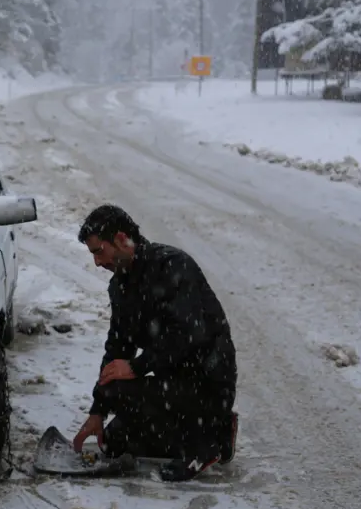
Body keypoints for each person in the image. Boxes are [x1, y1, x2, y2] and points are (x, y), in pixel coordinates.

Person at [72, 204, 239, 482]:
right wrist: (98, 411)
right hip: (171, 384)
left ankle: (209, 434)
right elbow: (116, 349)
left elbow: (188, 334)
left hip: (207, 382)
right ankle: (206, 433)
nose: (97, 263)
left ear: (122, 239)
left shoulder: (173, 266)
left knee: (131, 388)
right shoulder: (121, 287)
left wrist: (138, 366)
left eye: (99, 251)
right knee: (115, 442)